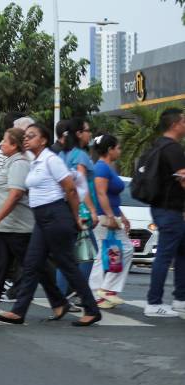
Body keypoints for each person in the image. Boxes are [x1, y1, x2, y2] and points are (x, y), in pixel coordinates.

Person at [0, 123, 101, 327]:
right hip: (42, 219)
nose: (26, 139)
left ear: (43, 140)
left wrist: (76, 216)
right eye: (25, 136)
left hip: (56, 216)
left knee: (67, 265)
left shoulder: (51, 160)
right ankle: (19, 312)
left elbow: (70, 189)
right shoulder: (35, 161)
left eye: (31, 136)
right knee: (32, 264)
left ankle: (92, 310)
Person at [0, 128, 35, 315]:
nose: (1, 145)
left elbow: (15, 194)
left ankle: (58, 298)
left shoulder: (19, 163)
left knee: (35, 267)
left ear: (14, 145)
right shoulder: (10, 162)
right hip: (6, 227)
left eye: (5, 141)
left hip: (17, 227)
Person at [144, 107, 185, 317]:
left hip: (160, 208)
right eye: (183, 122)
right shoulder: (173, 149)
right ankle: (154, 302)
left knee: (181, 252)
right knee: (165, 255)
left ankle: (180, 299)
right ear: (175, 124)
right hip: (170, 210)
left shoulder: (157, 145)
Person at [87, 134, 134, 309]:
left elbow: (112, 196)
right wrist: (111, 217)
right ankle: (107, 289)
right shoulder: (101, 168)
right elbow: (101, 194)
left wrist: (121, 215)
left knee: (103, 253)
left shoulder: (107, 168)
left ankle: (97, 293)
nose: (120, 151)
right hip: (105, 218)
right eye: (118, 148)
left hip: (109, 215)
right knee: (125, 249)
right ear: (110, 150)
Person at [56, 117, 99, 300]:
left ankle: (61, 296)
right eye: (87, 130)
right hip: (80, 209)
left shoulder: (62, 155)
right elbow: (80, 186)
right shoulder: (80, 155)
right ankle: (80, 291)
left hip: (64, 207)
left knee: (67, 254)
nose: (90, 134)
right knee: (88, 253)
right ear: (79, 133)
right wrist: (92, 211)